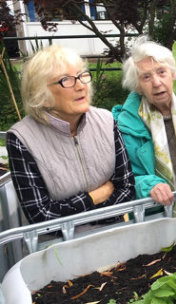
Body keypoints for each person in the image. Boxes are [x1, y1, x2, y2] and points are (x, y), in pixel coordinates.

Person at [6, 44, 135, 225]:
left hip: (113, 233)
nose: (81, 85)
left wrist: (78, 214)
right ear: (40, 95)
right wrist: (94, 197)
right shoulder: (21, 139)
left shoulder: (106, 121)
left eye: (82, 76)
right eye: (66, 80)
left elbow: (127, 189)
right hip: (60, 248)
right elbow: (42, 217)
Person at [112, 37, 176, 217]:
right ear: (137, 86)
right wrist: (148, 185)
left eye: (161, 72)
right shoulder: (124, 126)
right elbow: (122, 178)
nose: (156, 83)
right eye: (146, 77)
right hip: (160, 217)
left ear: (173, 74)